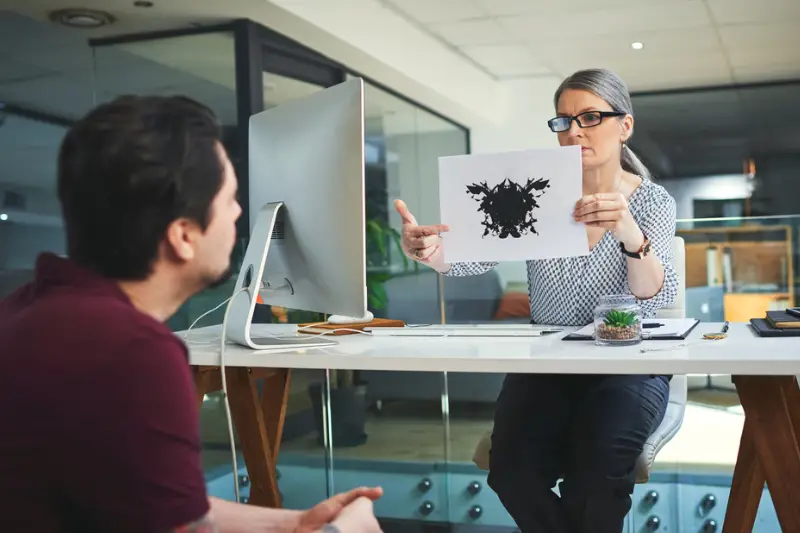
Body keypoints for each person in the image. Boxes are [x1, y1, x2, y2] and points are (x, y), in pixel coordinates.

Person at [0, 95, 383, 533]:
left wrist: (294, 524)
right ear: (183, 235)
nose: (242, 214)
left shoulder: (25, 309)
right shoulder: (132, 353)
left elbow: (163, 502)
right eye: (231, 200)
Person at [394, 68, 678, 533]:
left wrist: (628, 229)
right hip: (547, 361)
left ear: (624, 125)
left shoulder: (653, 202)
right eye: (564, 121)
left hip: (629, 360)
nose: (575, 131)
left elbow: (653, 292)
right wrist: (430, 250)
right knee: (511, 473)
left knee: (597, 472)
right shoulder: (537, 194)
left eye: (590, 117)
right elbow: (469, 260)